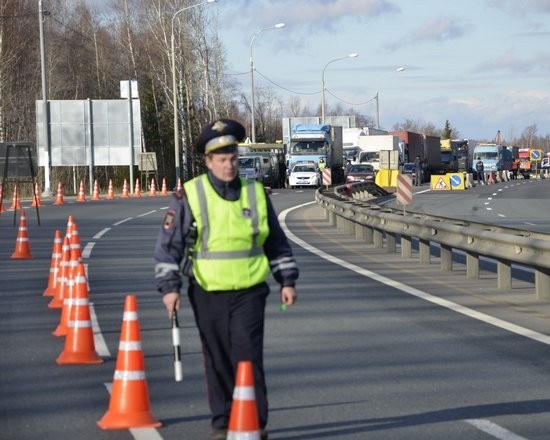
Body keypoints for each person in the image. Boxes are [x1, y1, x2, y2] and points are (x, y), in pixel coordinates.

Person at [154, 118, 299, 440]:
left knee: (247, 354)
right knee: (217, 357)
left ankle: (254, 423)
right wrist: (169, 289)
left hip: (250, 291)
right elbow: (168, 249)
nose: (228, 165)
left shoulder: (256, 193)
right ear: (208, 162)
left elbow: (275, 241)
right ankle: (222, 423)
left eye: (233, 158)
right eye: (221, 159)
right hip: (207, 291)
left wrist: (287, 280)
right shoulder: (190, 195)